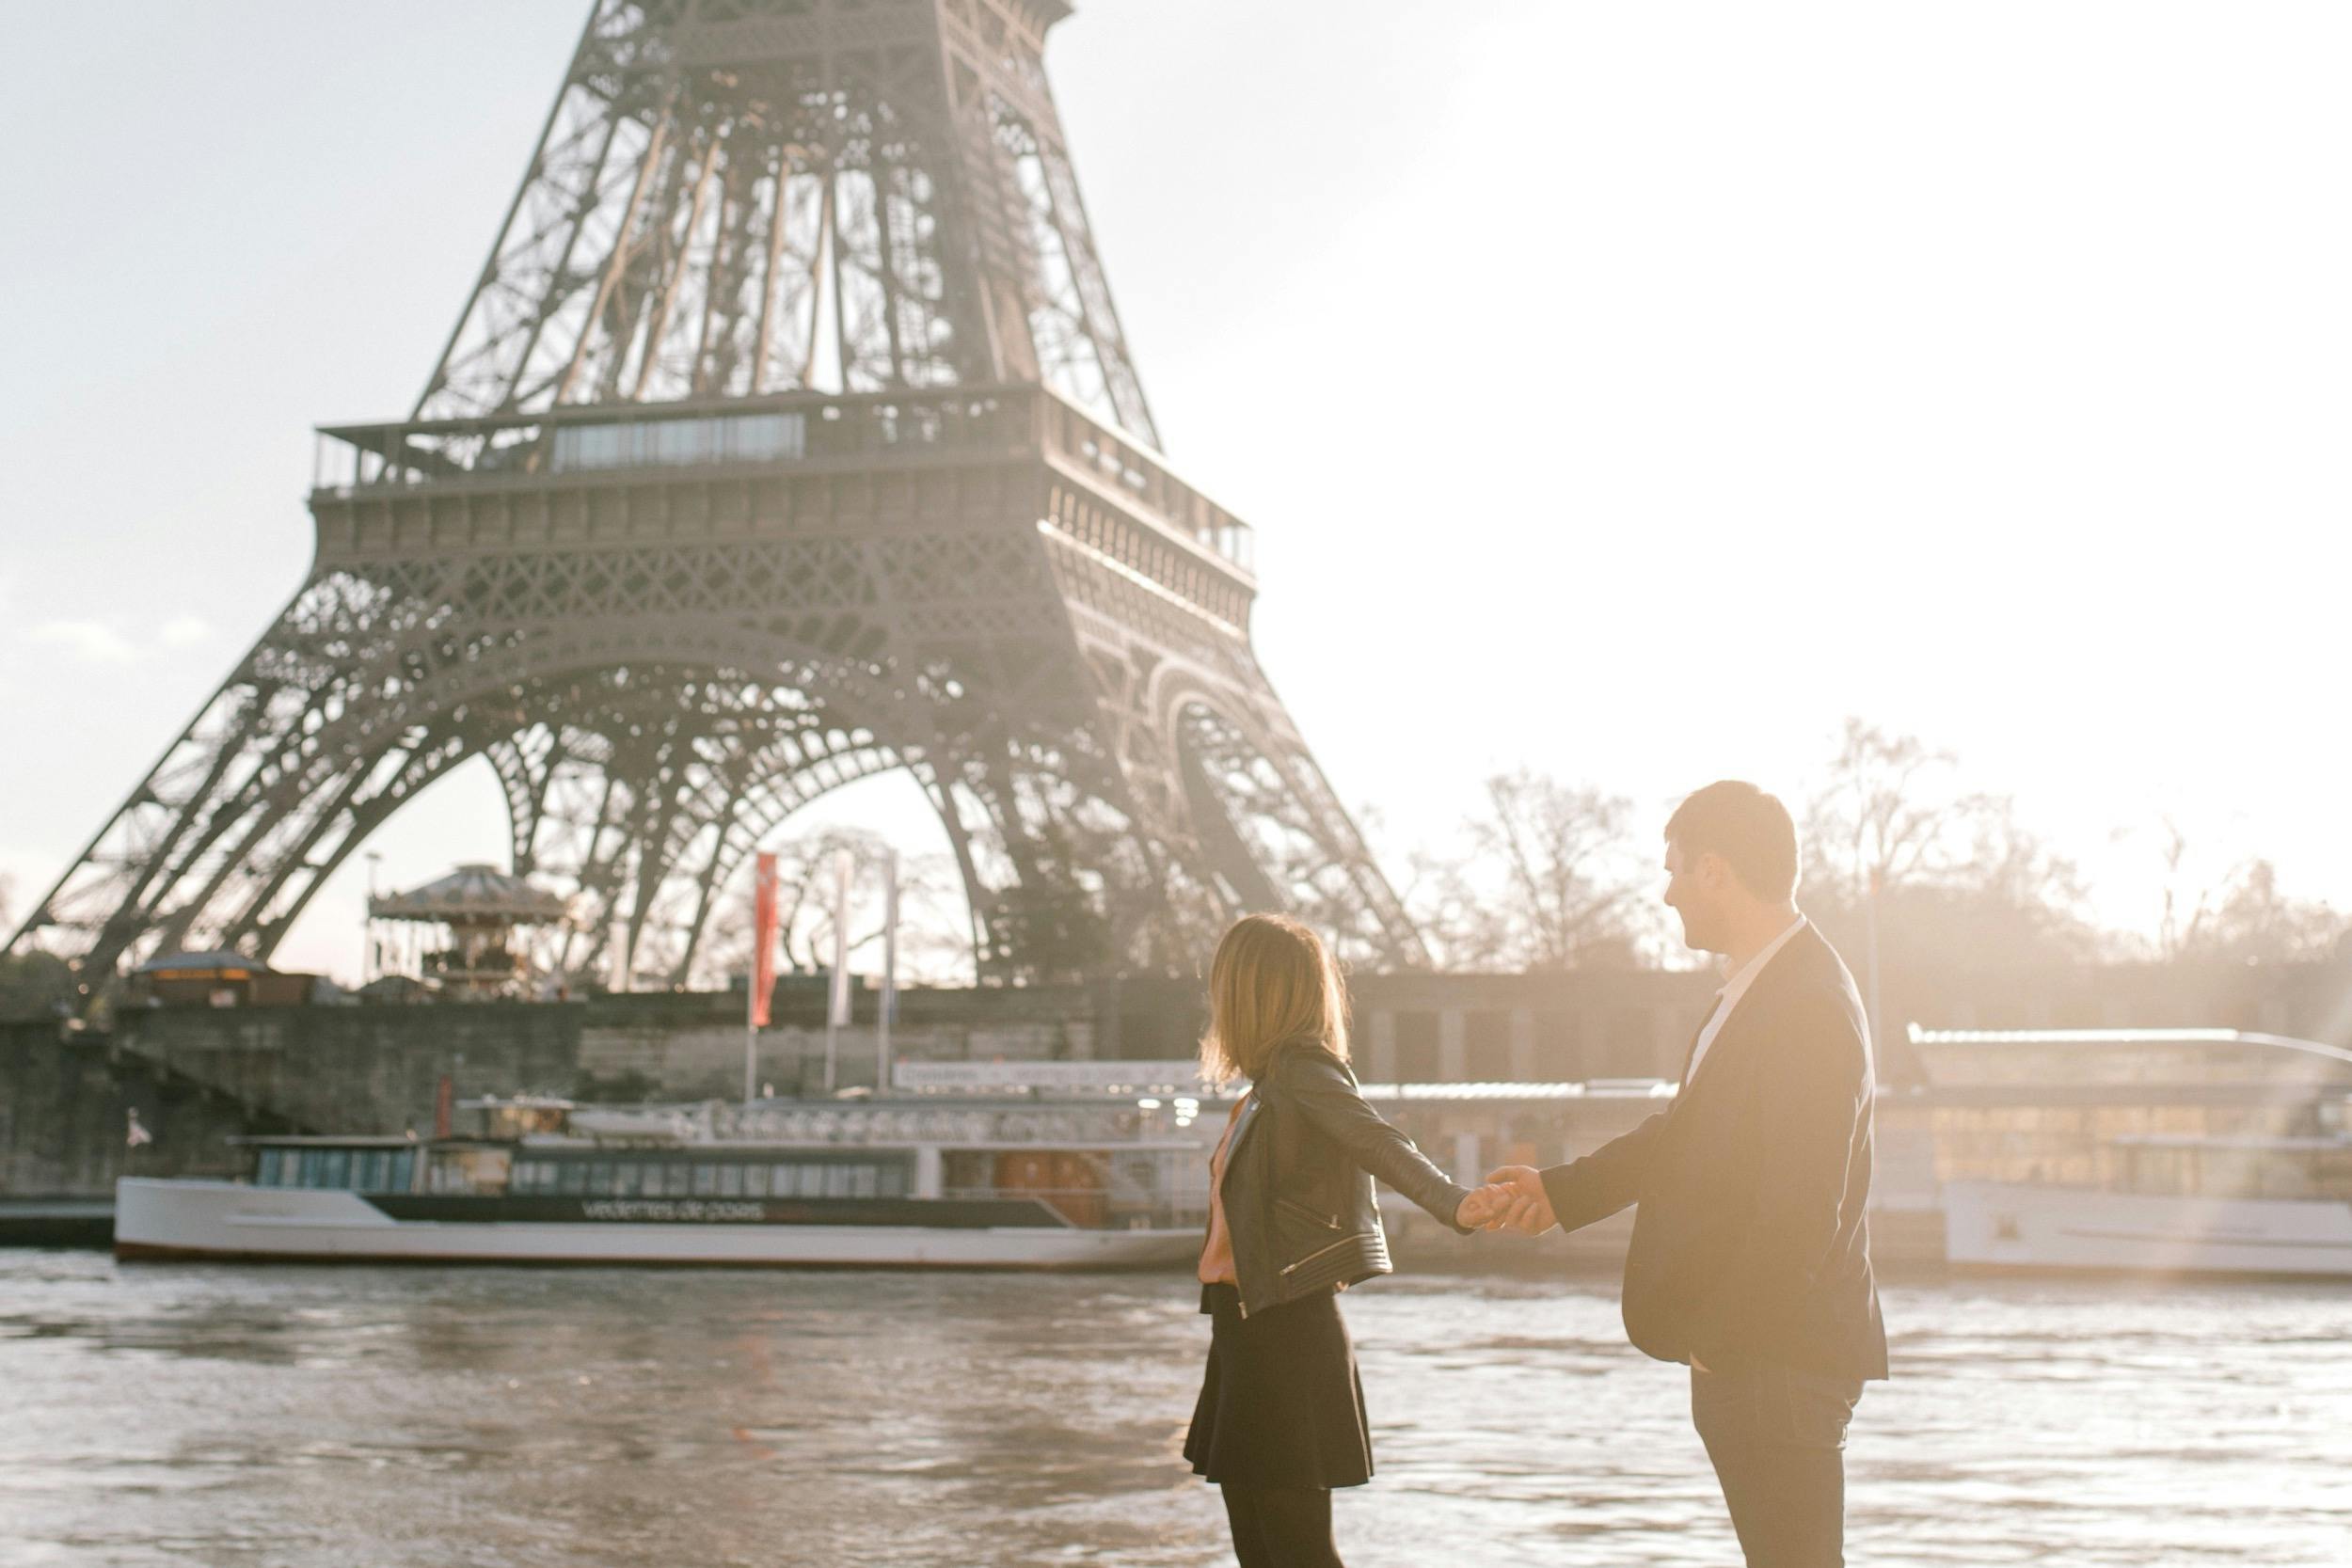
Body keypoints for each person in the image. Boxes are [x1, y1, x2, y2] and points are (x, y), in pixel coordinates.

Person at [1485, 781, 1889, 1567]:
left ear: (1715, 870)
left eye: (1672, 870)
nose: (1664, 891)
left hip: (1776, 1359)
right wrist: (1560, 1192)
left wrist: (1723, 1341)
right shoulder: (1765, 987)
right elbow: (1687, 1136)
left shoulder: (1805, 1001)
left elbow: (1806, 1208)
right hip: (1768, 1356)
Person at [1184, 912, 1511, 1568]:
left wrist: (1457, 1203)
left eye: (1225, 985)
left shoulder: (1304, 1072)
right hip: (1244, 1329)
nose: (1216, 1003)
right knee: (1257, 1540)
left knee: (1297, 1546)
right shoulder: (1264, 1090)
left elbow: (1376, 1139)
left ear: (1254, 991)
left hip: (1286, 1331)